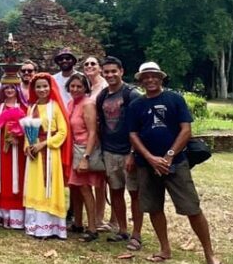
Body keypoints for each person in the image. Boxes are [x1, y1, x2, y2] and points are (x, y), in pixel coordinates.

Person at [127, 62, 229, 264]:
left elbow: (186, 130)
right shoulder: (136, 105)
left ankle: (209, 254)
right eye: (145, 77)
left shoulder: (174, 99)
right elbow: (133, 134)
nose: (150, 80)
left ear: (161, 78)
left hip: (176, 163)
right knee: (154, 208)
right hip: (147, 165)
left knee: (192, 208)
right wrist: (150, 158)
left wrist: (168, 156)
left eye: (154, 76)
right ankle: (165, 248)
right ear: (140, 81)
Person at [97, 56, 143, 250]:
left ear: (121, 71)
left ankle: (137, 234)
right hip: (110, 150)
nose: (110, 75)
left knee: (135, 193)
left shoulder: (132, 94)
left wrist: (134, 152)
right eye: (106, 72)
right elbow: (100, 125)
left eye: (113, 71)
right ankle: (122, 229)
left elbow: (140, 126)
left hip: (128, 151)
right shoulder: (102, 96)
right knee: (116, 191)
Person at [23, 73, 71, 239]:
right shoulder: (32, 107)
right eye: (38, 87)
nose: (42, 89)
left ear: (50, 87)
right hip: (34, 153)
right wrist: (28, 147)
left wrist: (44, 144)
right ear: (33, 89)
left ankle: (50, 227)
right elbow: (27, 131)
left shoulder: (55, 107)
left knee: (49, 186)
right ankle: (35, 225)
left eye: (45, 86)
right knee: (35, 185)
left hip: (50, 152)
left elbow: (63, 132)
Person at [65, 72, 105, 242]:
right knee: (75, 187)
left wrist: (86, 156)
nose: (75, 89)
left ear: (86, 88)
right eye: (72, 86)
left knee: (85, 188)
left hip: (84, 149)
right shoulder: (71, 103)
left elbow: (93, 132)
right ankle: (78, 223)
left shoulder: (88, 104)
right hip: (73, 148)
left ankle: (93, 227)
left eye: (79, 86)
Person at [0, 82, 28, 229]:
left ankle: (16, 218)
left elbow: (28, 126)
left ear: (17, 89)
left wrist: (18, 136)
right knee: (3, 177)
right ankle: (2, 214)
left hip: (18, 148)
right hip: (3, 148)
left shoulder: (23, 107)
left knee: (17, 177)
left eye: (12, 87)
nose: (9, 90)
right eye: (6, 88)